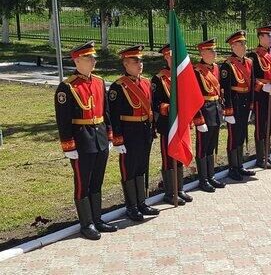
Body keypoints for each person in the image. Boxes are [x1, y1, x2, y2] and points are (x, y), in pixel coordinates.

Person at [54, 41, 117, 240]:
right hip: (82, 139)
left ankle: (97, 219)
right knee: (83, 183)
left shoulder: (98, 81)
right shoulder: (67, 87)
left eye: (93, 57)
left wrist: (109, 134)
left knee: (97, 181)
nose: (93, 61)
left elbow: (106, 112)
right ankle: (86, 223)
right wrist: (68, 144)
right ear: (76, 60)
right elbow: (63, 119)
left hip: (98, 137)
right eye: (88, 58)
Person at [108, 45, 160, 222]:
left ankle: (142, 202)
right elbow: (113, 115)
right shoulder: (118, 86)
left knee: (142, 167)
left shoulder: (145, 82)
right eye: (135, 61)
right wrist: (118, 139)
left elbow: (151, 109)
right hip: (128, 132)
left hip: (144, 130)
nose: (140, 64)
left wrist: (152, 129)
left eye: (141, 61)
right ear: (125, 63)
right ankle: (131, 206)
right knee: (129, 169)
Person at [152, 44, 192, 205]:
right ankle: (170, 192)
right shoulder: (159, 78)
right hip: (167, 124)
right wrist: (170, 108)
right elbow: (155, 103)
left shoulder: (181, 75)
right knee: (169, 157)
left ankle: (179, 189)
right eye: (170, 56)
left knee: (180, 155)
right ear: (165, 57)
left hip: (181, 122)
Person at [220, 31, 257, 181]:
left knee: (241, 135)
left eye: (244, 43)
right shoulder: (227, 65)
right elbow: (225, 89)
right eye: (241, 44)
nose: (245, 46)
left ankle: (240, 165)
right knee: (233, 137)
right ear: (233, 46)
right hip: (234, 103)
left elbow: (252, 84)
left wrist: (251, 105)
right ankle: (232, 168)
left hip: (245, 103)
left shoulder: (249, 62)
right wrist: (228, 111)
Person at [193, 39, 226, 192]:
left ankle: (211, 176)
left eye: (215, 51)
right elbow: (194, 96)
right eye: (211, 51)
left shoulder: (216, 68)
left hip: (216, 109)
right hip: (205, 111)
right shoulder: (196, 71)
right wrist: (199, 119)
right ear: (202, 53)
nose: (215, 54)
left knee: (212, 145)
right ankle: (203, 179)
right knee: (202, 147)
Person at [247, 25, 271, 169]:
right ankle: (260, 158)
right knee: (261, 126)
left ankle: (267, 154)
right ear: (260, 37)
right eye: (268, 36)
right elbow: (251, 77)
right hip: (261, 96)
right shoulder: (253, 56)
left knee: (269, 125)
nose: (270, 40)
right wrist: (262, 86)